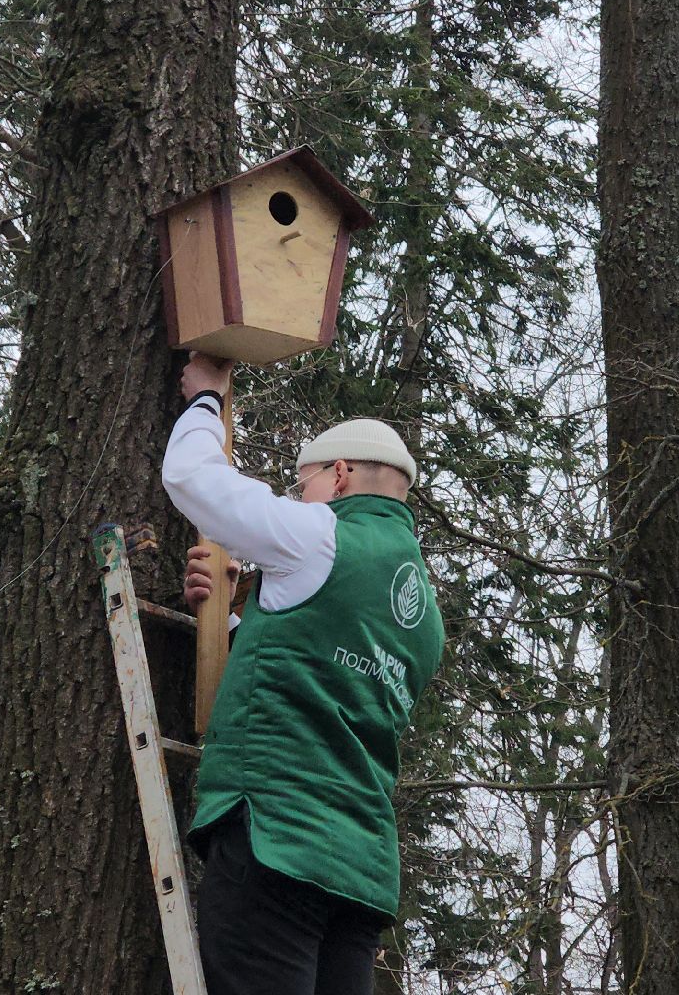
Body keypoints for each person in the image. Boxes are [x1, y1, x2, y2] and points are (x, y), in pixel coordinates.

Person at [160, 351, 446, 995]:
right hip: (360, 879)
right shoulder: (424, 617)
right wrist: (236, 622)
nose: (301, 496)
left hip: (277, 840)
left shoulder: (324, 537)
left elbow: (194, 479)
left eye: (304, 481)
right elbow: (324, 680)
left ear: (340, 474)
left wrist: (206, 401)